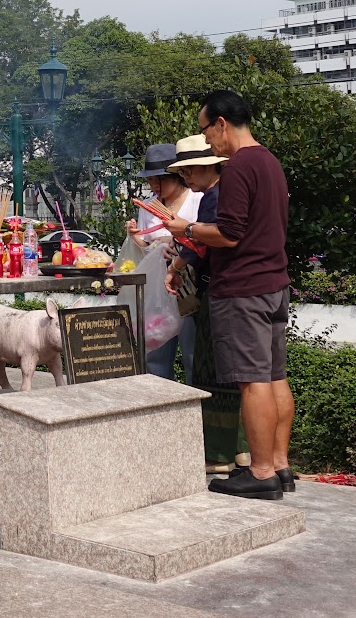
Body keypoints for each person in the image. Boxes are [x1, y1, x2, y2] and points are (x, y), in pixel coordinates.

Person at [164, 90, 293, 500]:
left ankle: (260, 473)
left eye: (206, 131)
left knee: (252, 382)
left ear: (221, 123)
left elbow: (229, 233)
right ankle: (280, 465)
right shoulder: (270, 161)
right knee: (274, 376)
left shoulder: (238, 167)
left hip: (243, 289)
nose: (207, 141)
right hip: (274, 283)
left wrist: (185, 229)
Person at [124, 143, 198, 378]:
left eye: (161, 179)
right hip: (157, 288)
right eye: (150, 180)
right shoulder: (148, 206)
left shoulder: (197, 199)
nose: (155, 186)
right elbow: (147, 247)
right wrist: (135, 238)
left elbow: (203, 239)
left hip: (189, 288)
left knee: (193, 353)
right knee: (156, 353)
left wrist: (175, 240)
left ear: (177, 176)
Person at [164, 134, 227, 386]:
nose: (186, 176)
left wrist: (174, 265)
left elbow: (204, 240)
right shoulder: (217, 193)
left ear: (209, 166)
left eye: (189, 170)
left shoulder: (214, 196)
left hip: (220, 287)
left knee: (214, 370)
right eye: (182, 172)